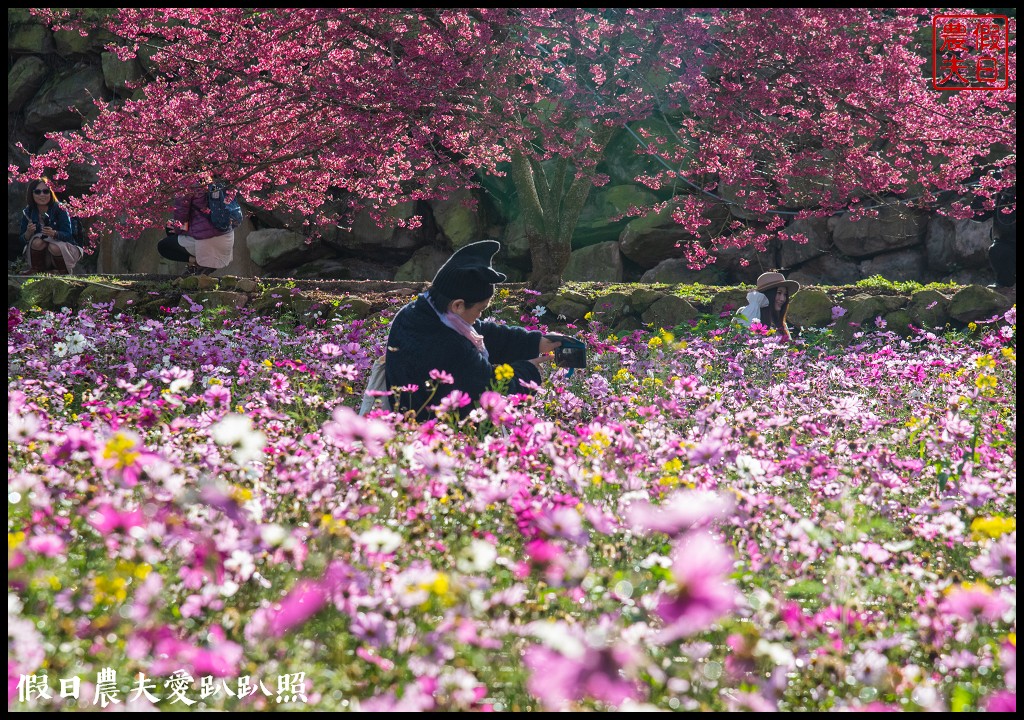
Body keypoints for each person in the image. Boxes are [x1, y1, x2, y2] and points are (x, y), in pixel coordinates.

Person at [384, 240, 562, 421]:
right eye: (480, 309)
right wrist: (529, 372)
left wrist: (535, 342)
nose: (479, 316)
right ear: (458, 305)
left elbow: (483, 332)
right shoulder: (446, 344)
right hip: (434, 436)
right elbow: (488, 389)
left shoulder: (423, 312)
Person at [158, 176, 235, 277]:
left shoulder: (186, 185)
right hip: (227, 239)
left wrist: (178, 229)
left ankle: (198, 264)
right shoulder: (217, 179)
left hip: (206, 242)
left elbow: (181, 219)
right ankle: (196, 266)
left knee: (163, 246)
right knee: (172, 227)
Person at [19, 178, 84, 275]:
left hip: (66, 250)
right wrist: (28, 233)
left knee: (54, 246)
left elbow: (69, 235)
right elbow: (21, 240)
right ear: (31, 194)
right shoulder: (28, 211)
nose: (42, 195)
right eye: (37, 192)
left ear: (51, 193)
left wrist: (55, 233)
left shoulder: (60, 209)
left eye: (46, 191)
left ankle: (63, 271)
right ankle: (37, 269)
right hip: (44, 254)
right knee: (37, 242)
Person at [734, 271, 800, 340]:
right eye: (779, 293)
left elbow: (789, 348)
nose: (782, 299)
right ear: (767, 294)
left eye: (785, 294)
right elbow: (738, 342)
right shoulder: (745, 313)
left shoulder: (780, 323)